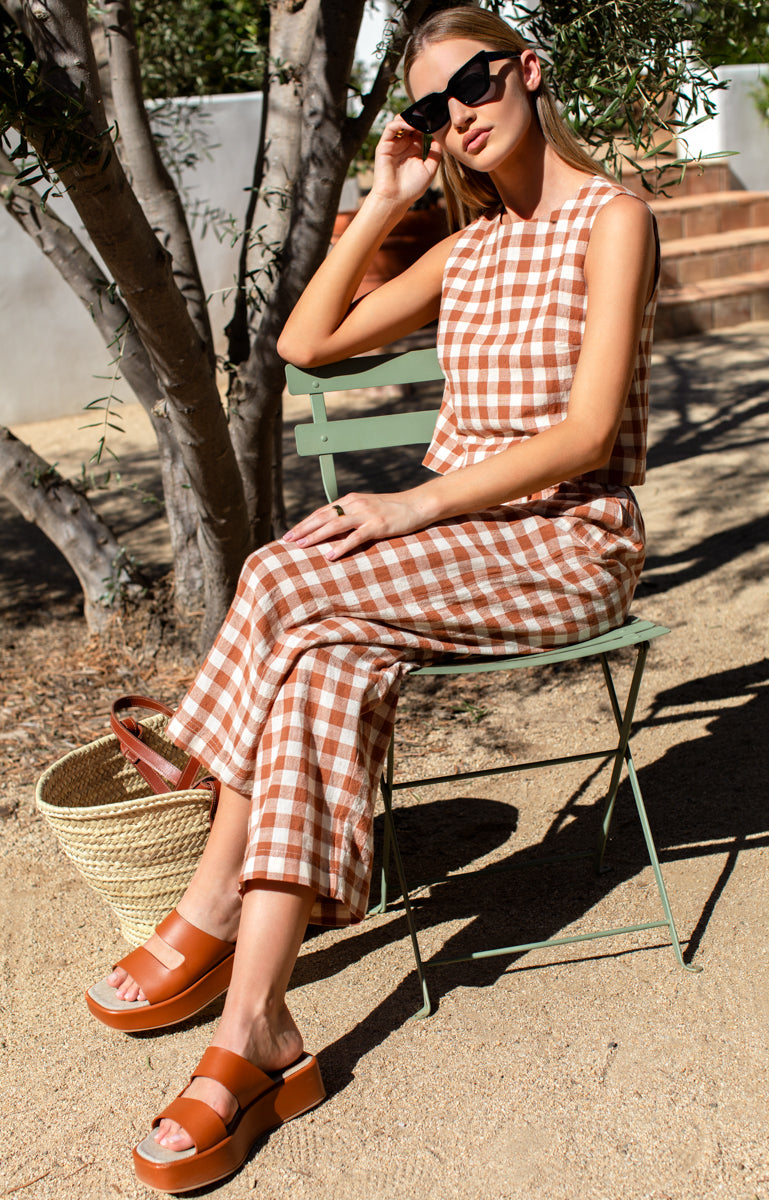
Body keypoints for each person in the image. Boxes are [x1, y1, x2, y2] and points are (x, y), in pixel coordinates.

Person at [85, 5, 659, 1191]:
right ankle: (256, 1028)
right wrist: (387, 198)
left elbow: (587, 433)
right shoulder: (467, 249)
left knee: (280, 572)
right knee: (320, 662)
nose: (457, 116)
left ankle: (208, 888)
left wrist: (410, 507)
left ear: (527, 70)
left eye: (474, 85)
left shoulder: (613, 220)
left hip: (567, 543)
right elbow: (305, 344)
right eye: (431, 107)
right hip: (462, 551)